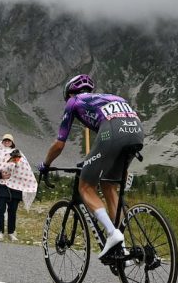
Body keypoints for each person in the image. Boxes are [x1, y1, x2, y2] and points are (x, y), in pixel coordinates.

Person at [38, 74, 144, 258]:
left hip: (113, 132)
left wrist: (45, 165)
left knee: (86, 187)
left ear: (70, 92)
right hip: (137, 132)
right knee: (109, 186)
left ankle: (112, 235)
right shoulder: (112, 98)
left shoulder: (74, 101)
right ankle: (123, 249)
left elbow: (59, 144)